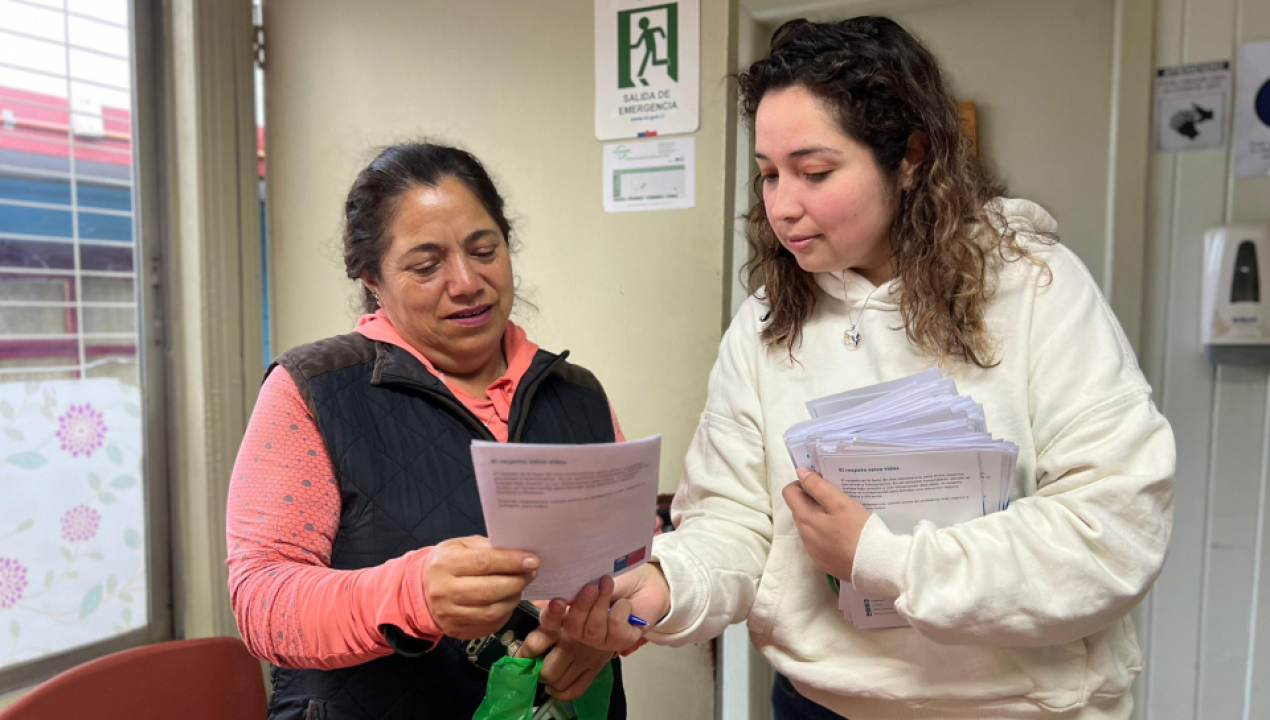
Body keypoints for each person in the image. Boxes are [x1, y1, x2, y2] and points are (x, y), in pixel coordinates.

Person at [556, 17, 1175, 720]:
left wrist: (883, 559)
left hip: (1018, 706)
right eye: (768, 174)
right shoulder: (765, 324)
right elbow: (732, 524)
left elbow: (1110, 532)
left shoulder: (1036, 290)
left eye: (815, 172)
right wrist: (667, 585)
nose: (783, 207)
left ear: (911, 156)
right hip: (822, 704)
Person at [226, 143, 627, 720]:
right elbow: (263, 605)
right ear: (372, 277)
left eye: (484, 250)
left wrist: (612, 629)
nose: (466, 282)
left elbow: (634, 575)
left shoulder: (578, 395)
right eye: (425, 265)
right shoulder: (313, 390)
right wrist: (412, 594)